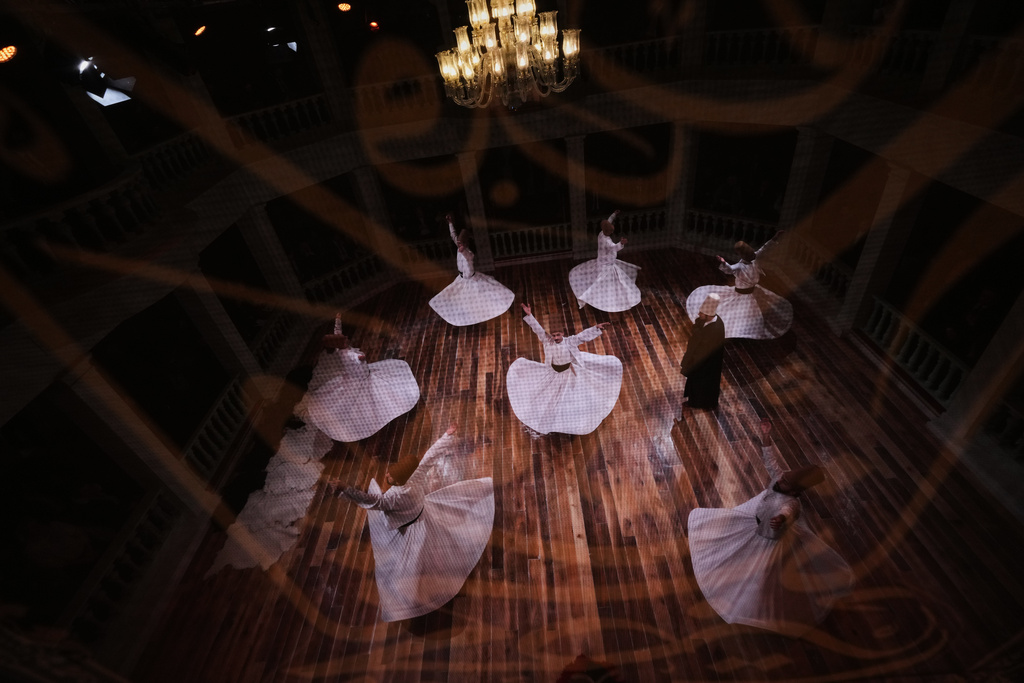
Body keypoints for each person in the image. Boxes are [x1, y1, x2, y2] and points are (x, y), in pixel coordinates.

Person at [687, 419, 853, 637]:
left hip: (768, 536)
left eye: (784, 481)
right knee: (735, 548)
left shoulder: (791, 504)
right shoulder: (781, 479)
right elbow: (770, 461)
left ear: (794, 491)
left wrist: (780, 521)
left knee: (762, 573)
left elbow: (788, 513)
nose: (780, 478)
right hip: (755, 519)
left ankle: (755, 602)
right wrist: (766, 436)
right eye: (783, 475)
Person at [328, 424, 494, 622]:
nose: (387, 475)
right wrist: (446, 437)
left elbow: (373, 501)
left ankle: (414, 597)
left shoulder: (395, 498)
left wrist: (343, 489)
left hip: (413, 529)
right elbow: (429, 457)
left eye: (391, 476)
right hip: (424, 516)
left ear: (398, 481)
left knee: (416, 560)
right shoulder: (415, 477)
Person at [294, 314, 420, 442]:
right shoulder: (349, 356)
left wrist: (338, 320)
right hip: (360, 381)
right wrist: (361, 359)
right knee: (373, 401)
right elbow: (359, 367)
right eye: (344, 339)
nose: (347, 338)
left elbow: (338, 332)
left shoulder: (341, 350)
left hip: (353, 379)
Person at [506, 303, 623, 435]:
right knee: (551, 396)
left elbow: (582, 336)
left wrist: (596, 328)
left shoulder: (569, 342)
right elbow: (537, 329)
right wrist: (529, 315)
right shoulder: (547, 340)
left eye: (557, 335)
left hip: (569, 373)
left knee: (570, 397)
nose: (555, 338)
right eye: (553, 335)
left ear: (562, 333)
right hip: (554, 373)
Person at [685, 233, 793, 339]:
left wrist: (774, 239)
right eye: (749, 254)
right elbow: (730, 269)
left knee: (751, 314)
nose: (752, 255)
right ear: (744, 255)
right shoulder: (740, 266)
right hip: (742, 293)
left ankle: (747, 329)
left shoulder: (755, 258)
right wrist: (724, 263)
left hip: (751, 292)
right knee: (736, 313)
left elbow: (765, 248)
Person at [428, 214, 515, 326]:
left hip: (471, 281)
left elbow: (466, 254)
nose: (459, 246)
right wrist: (450, 224)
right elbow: (453, 235)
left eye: (461, 244)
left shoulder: (469, 254)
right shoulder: (460, 247)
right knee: (456, 298)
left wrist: (463, 249)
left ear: (466, 244)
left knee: (480, 298)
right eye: (458, 244)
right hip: (461, 279)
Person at [568, 210, 642, 312]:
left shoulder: (601, 234)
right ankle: (587, 297)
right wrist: (621, 243)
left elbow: (609, 221)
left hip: (603, 262)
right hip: (606, 266)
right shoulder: (606, 241)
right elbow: (614, 247)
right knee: (602, 283)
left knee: (603, 281)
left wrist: (614, 214)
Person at [680, 293, 726, 410]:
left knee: (702, 385)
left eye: (702, 313)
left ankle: (699, 404)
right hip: (698, 360)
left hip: (706, 364)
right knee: (695, 383)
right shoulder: (703, 321)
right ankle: (693, 400)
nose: (699, 314)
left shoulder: (716, 329)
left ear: (708, 315)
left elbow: (704, 350)